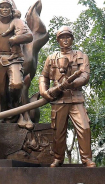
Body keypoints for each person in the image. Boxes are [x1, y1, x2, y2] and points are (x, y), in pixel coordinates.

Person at [39, 26, 95, 167]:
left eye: (68, 37)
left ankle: (86, 159)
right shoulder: (51, 58)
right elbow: (43, 77)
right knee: (58, 131)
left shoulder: (81, 56)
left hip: (76, 98)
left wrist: (71, 84)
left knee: (85, 128)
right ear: (58, 40)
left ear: (72, 39)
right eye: (62, 37)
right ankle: (58, 158)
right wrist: (43, 91)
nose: (65, 40)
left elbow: (85, 75)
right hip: (58, 99)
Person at [0, 0, 34, 128]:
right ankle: (5, 115)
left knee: (16, 85)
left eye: (7, 7)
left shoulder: (18, 22)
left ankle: (17, 108)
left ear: (11, 9)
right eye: (2, 7)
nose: (5, 9)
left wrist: (16, 39)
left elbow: (29, 36)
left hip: (14, 59)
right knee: (0, 91)